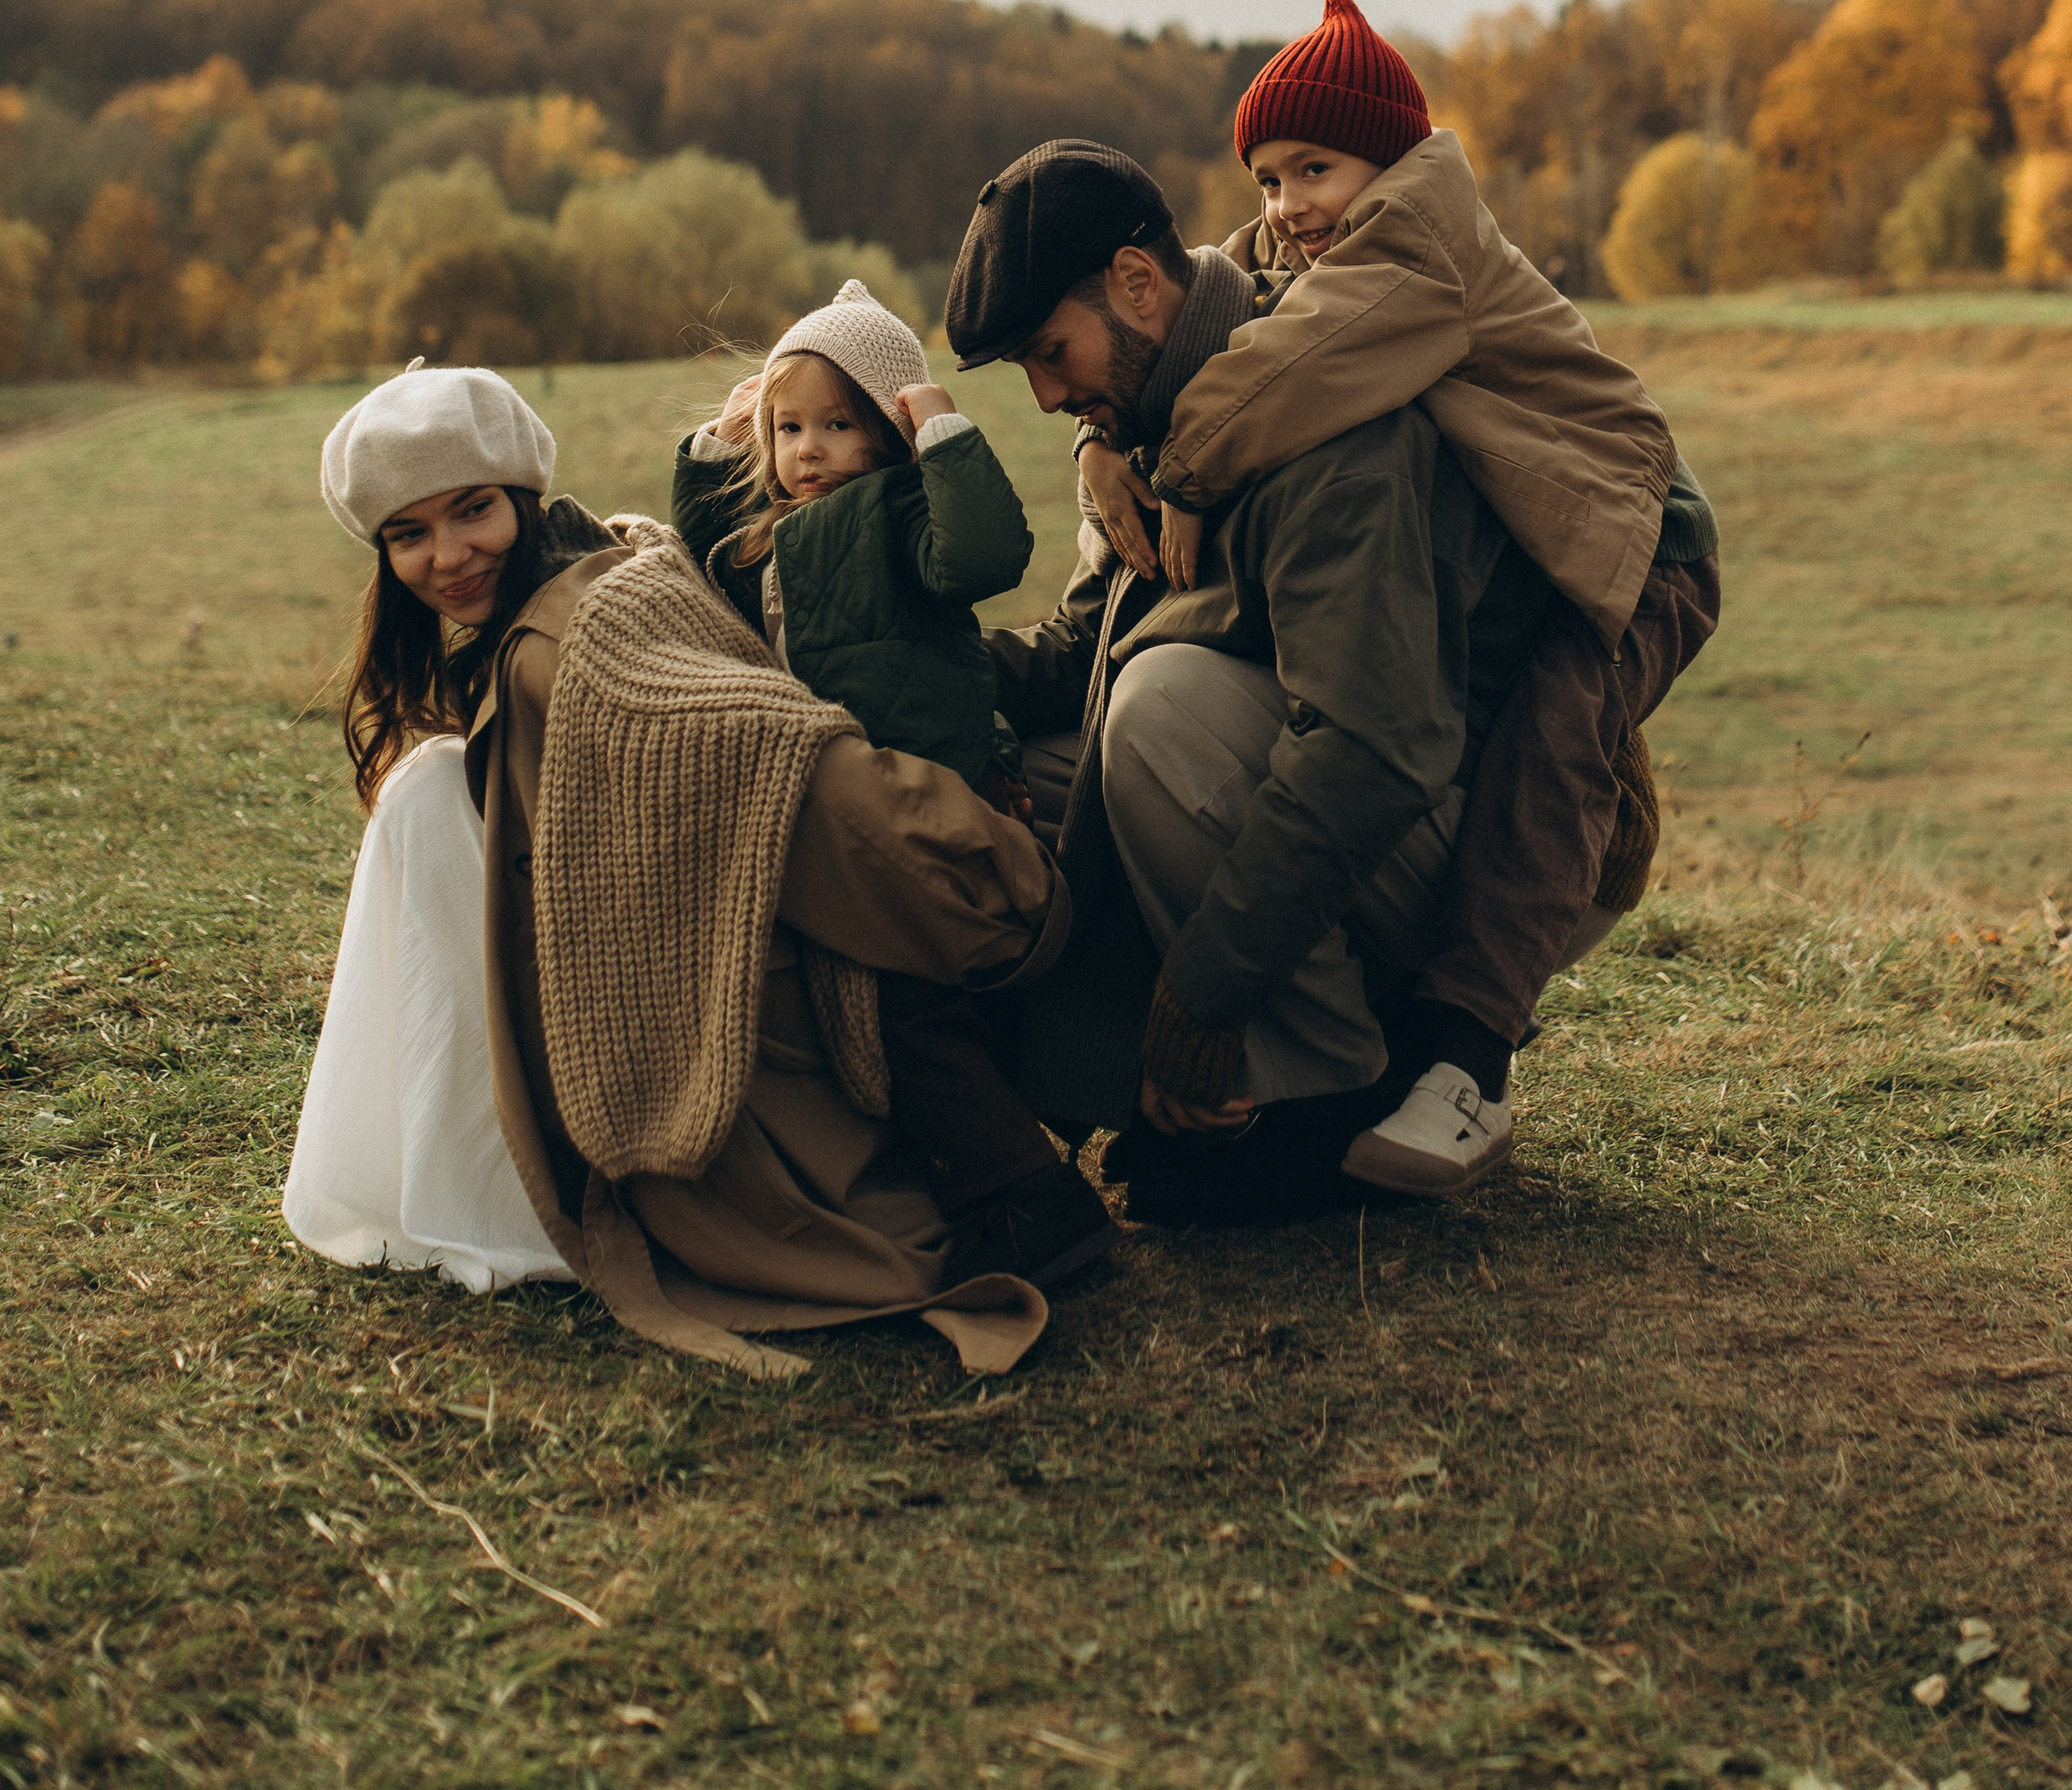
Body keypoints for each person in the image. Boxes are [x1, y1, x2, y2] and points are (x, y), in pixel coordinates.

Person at [286, 360, 1104, 1378]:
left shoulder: (573, 638)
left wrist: (980, 868)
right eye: (408, 535)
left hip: (754, 1016)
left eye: (472, 511)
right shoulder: (607, 564)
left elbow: (775, 749)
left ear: (523, 496)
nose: (449, 556)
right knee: (424, 791)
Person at [944, 133, 1708, 1221]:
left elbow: (1375, 746)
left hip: (1503, 829)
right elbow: (1086, 647)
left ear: (1134, 283)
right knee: (1042, 762)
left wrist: (1198, 994)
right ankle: (1089, 1084)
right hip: (1363, 790)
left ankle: (1329, 1091)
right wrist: (903, 683)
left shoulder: (1325, 408)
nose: (1041, 394)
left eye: (1049, 352)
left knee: (1163, 716)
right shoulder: (1157, 421)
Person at [1125, 0, 1720, 1191]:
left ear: (1390, 160)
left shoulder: (1417, 245)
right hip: (1559, 531)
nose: (1288, 208)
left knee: (1550, 752)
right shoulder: (1335, 242)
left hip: (1645, 545)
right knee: (1520, 738)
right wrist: (1104, 445)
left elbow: (1285, 358)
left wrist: (1178, 469)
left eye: (1314, 168)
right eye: (1266, 180)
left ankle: (1469, 1066)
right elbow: (1227, 291)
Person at [671, 278, 1034, 810]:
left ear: (891, 431)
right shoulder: (768, 534)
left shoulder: (903, 512)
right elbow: (701, 560)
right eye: (788, 427)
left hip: (931, 784)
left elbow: (983, 559)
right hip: (821, 788)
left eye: (838, 424)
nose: (809, 449)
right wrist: (719, 445)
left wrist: (943, 434)